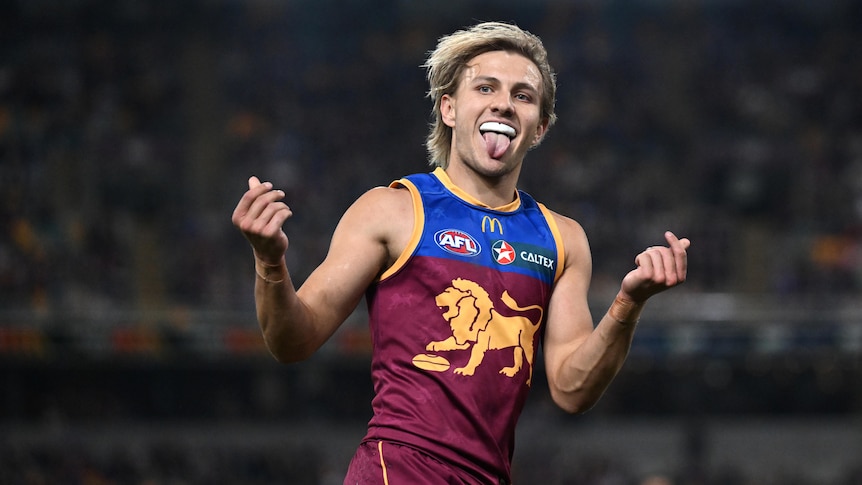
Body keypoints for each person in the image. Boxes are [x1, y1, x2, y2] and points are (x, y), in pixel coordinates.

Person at [232, 21, 690, 485]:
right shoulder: (392, 210)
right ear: (449, 108)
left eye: (523, 95)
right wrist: (270, 263)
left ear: (540, 128)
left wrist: (628, 305)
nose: (503, 104)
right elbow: (292, 341)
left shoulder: (562, 239)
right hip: (398, 469)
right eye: (485, 87)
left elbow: (572, 389)